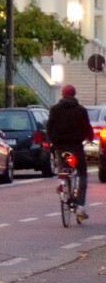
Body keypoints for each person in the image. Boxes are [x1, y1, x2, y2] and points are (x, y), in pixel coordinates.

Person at [47, 83, 93, 221]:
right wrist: (90, 138)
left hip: (60, 147)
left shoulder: (54, 109)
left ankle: (63, 185)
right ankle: (80, 206)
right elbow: (87, 127)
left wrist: (52, 141)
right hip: (76, 147)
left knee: (63, 171)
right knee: (82, 174)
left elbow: (49, 127)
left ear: (62, 94)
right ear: (74, 94)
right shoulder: (81, 110)